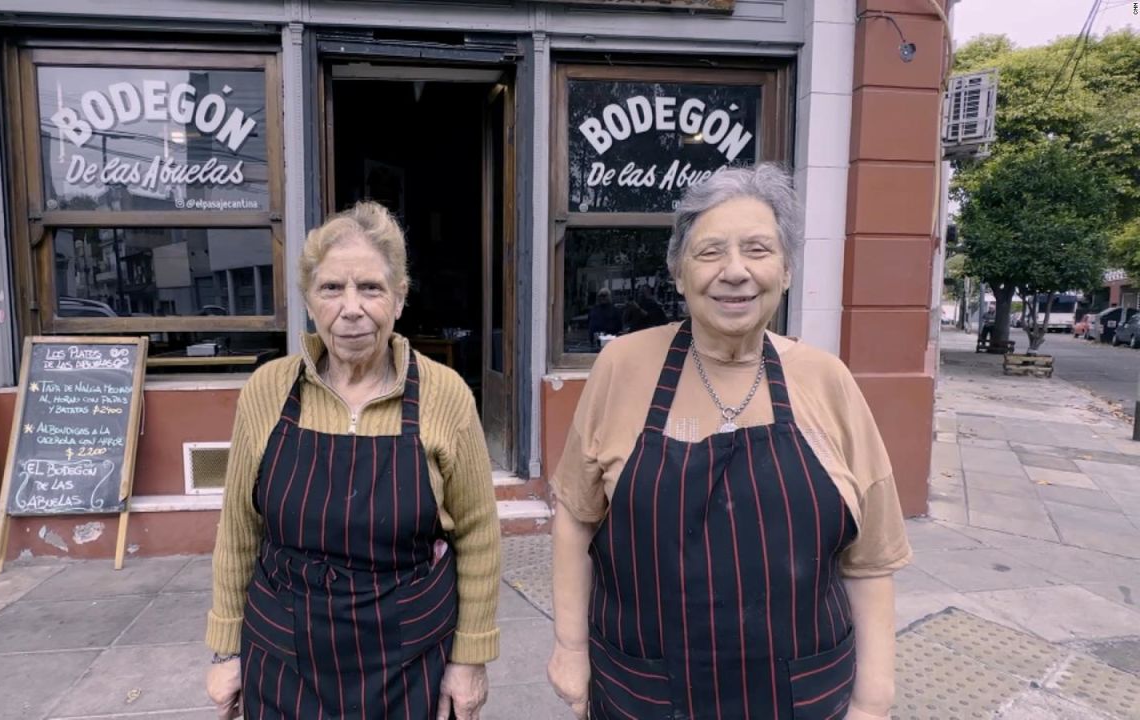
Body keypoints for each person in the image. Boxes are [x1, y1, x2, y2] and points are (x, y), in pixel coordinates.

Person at [546, 164, 911, 720]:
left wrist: (873, 700)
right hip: (647, 692)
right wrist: (570, 648)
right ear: (678, 272)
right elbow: (575, 516)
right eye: (710, 251)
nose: (735, 272)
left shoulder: (827, 380)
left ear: (786, 270)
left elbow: (870, 559)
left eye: (758, 250)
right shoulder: (622, 366)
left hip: (799, 697)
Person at [205, 201, 501, 720]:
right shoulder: (267, 390)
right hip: (283, 658)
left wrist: (469, 658)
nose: (351, 308)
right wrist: (227, 650)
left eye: (370, 288)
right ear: (309, 299)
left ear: (399, 298)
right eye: (331, 288)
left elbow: (477, 536)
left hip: (407, 661)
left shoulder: (445, 394)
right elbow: (238, 532)